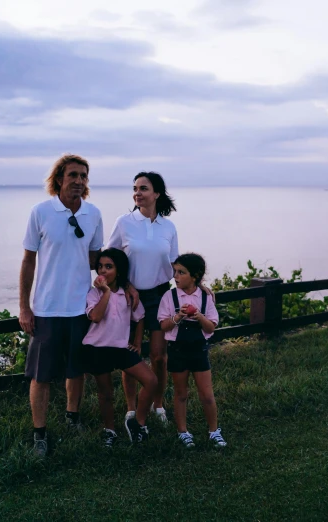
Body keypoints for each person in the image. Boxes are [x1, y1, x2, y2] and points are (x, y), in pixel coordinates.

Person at [19, 154, 103, 458]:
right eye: (73, 175)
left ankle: (72, 418)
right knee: (40, 376)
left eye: (84, 176)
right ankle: (39, 434)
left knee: (75, 370)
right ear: (59, 179)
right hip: (46, 310)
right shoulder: (41, 212)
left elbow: (96, 261)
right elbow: (28, 261)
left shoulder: (93, 214)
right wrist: (24, 307)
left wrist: (122, 284)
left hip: (81, 309)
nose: (79, 181)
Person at [107, 172, 178, 425]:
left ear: (157, 193)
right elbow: (110, 260)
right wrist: (125, 285)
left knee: (159, 356)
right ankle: (131, 407)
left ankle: (159, 405)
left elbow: (175, 264)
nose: (137, 193)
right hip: (129, 298)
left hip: (160, 296)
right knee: (131, 355)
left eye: (143, 188)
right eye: (135, 188)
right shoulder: (124, 222)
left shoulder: (168, 227)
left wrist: (198, 286)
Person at [82, 248, 158, 447]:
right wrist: (106, 291)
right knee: (106, 394)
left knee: (151, 381)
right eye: (100, 267)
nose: (103, 271)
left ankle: (138, 423)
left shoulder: (128, 294)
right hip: (97, 349)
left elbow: (139, 317)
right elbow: (96, 317)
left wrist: (138, 342)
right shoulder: (93, 294)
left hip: (121, 349)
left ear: (119, 270)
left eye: (109, 267)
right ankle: (110, 431)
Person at [158, 253, 227, 449]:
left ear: (195, 276)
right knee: (181, 393)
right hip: (177, 349)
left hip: (198, 350)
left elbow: (211, 327)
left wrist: (197, 315)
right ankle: (183, 431)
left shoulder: (205, 297)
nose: (176, 276)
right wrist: (178, 316)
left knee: (206, 393)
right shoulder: (170, 296)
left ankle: (214, 430)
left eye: (181, 272)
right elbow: (163, 326)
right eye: (175, 272)